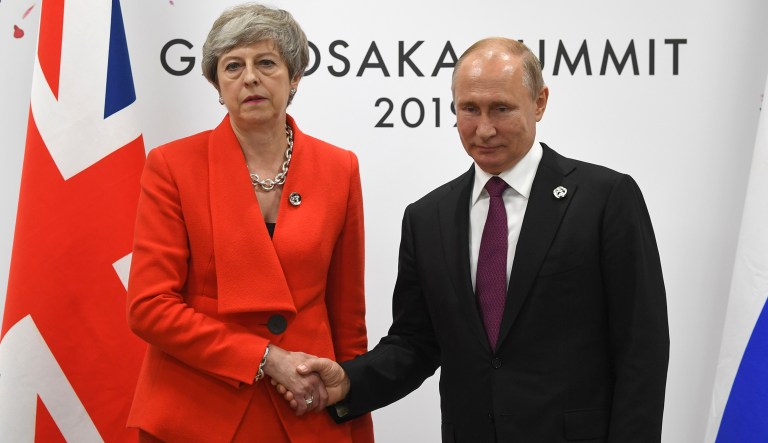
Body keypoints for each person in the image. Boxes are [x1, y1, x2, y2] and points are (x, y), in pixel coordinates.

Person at [283, 37, 670, 442]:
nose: (484, 129)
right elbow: (415, 343)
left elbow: (641, 349)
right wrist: (348, 381)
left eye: (501, 108)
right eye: (469, 109)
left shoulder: (605, 199)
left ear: (539, 103)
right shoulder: (427, 217)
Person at [125, 4, 373, 442]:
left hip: (305, 410)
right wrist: (264, 356)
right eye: (233, 66)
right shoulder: (172, 166)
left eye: (266, 63)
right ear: (217, 84)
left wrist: (353, 419)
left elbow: (347, 319)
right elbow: (149, 308)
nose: (250, 78)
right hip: (197, 411)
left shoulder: (340, 168)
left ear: (294, 77)